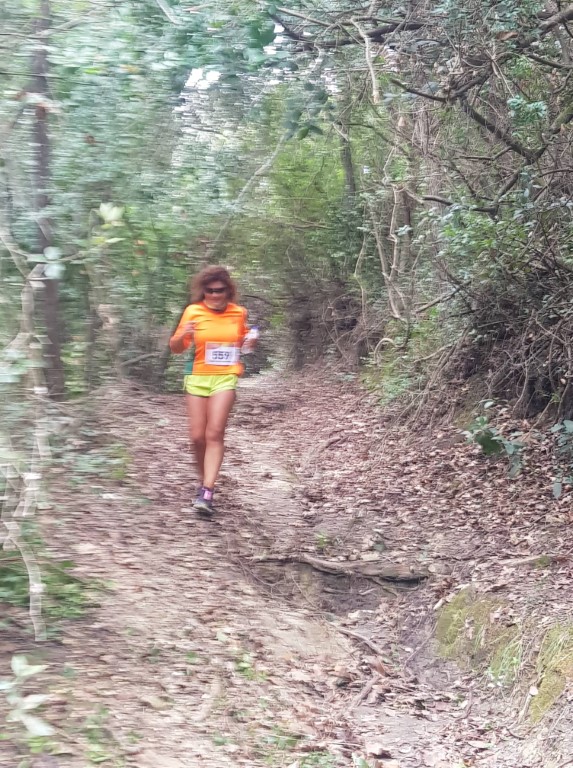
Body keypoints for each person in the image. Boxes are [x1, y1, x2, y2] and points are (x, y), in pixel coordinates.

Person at [169, 266, 256, 515]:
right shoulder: (193, 311)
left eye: (220, 290)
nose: (215, 295)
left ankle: (207, 491)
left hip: (225, 378)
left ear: (228, 290)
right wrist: (183, 335)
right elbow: (176, 348)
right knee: (197, 437)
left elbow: (243, 344)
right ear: (203, 291)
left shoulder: (238, 312)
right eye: (209, 291)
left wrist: (251, 341)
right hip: (197, 377)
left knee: (214, 432)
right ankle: (203, 480)